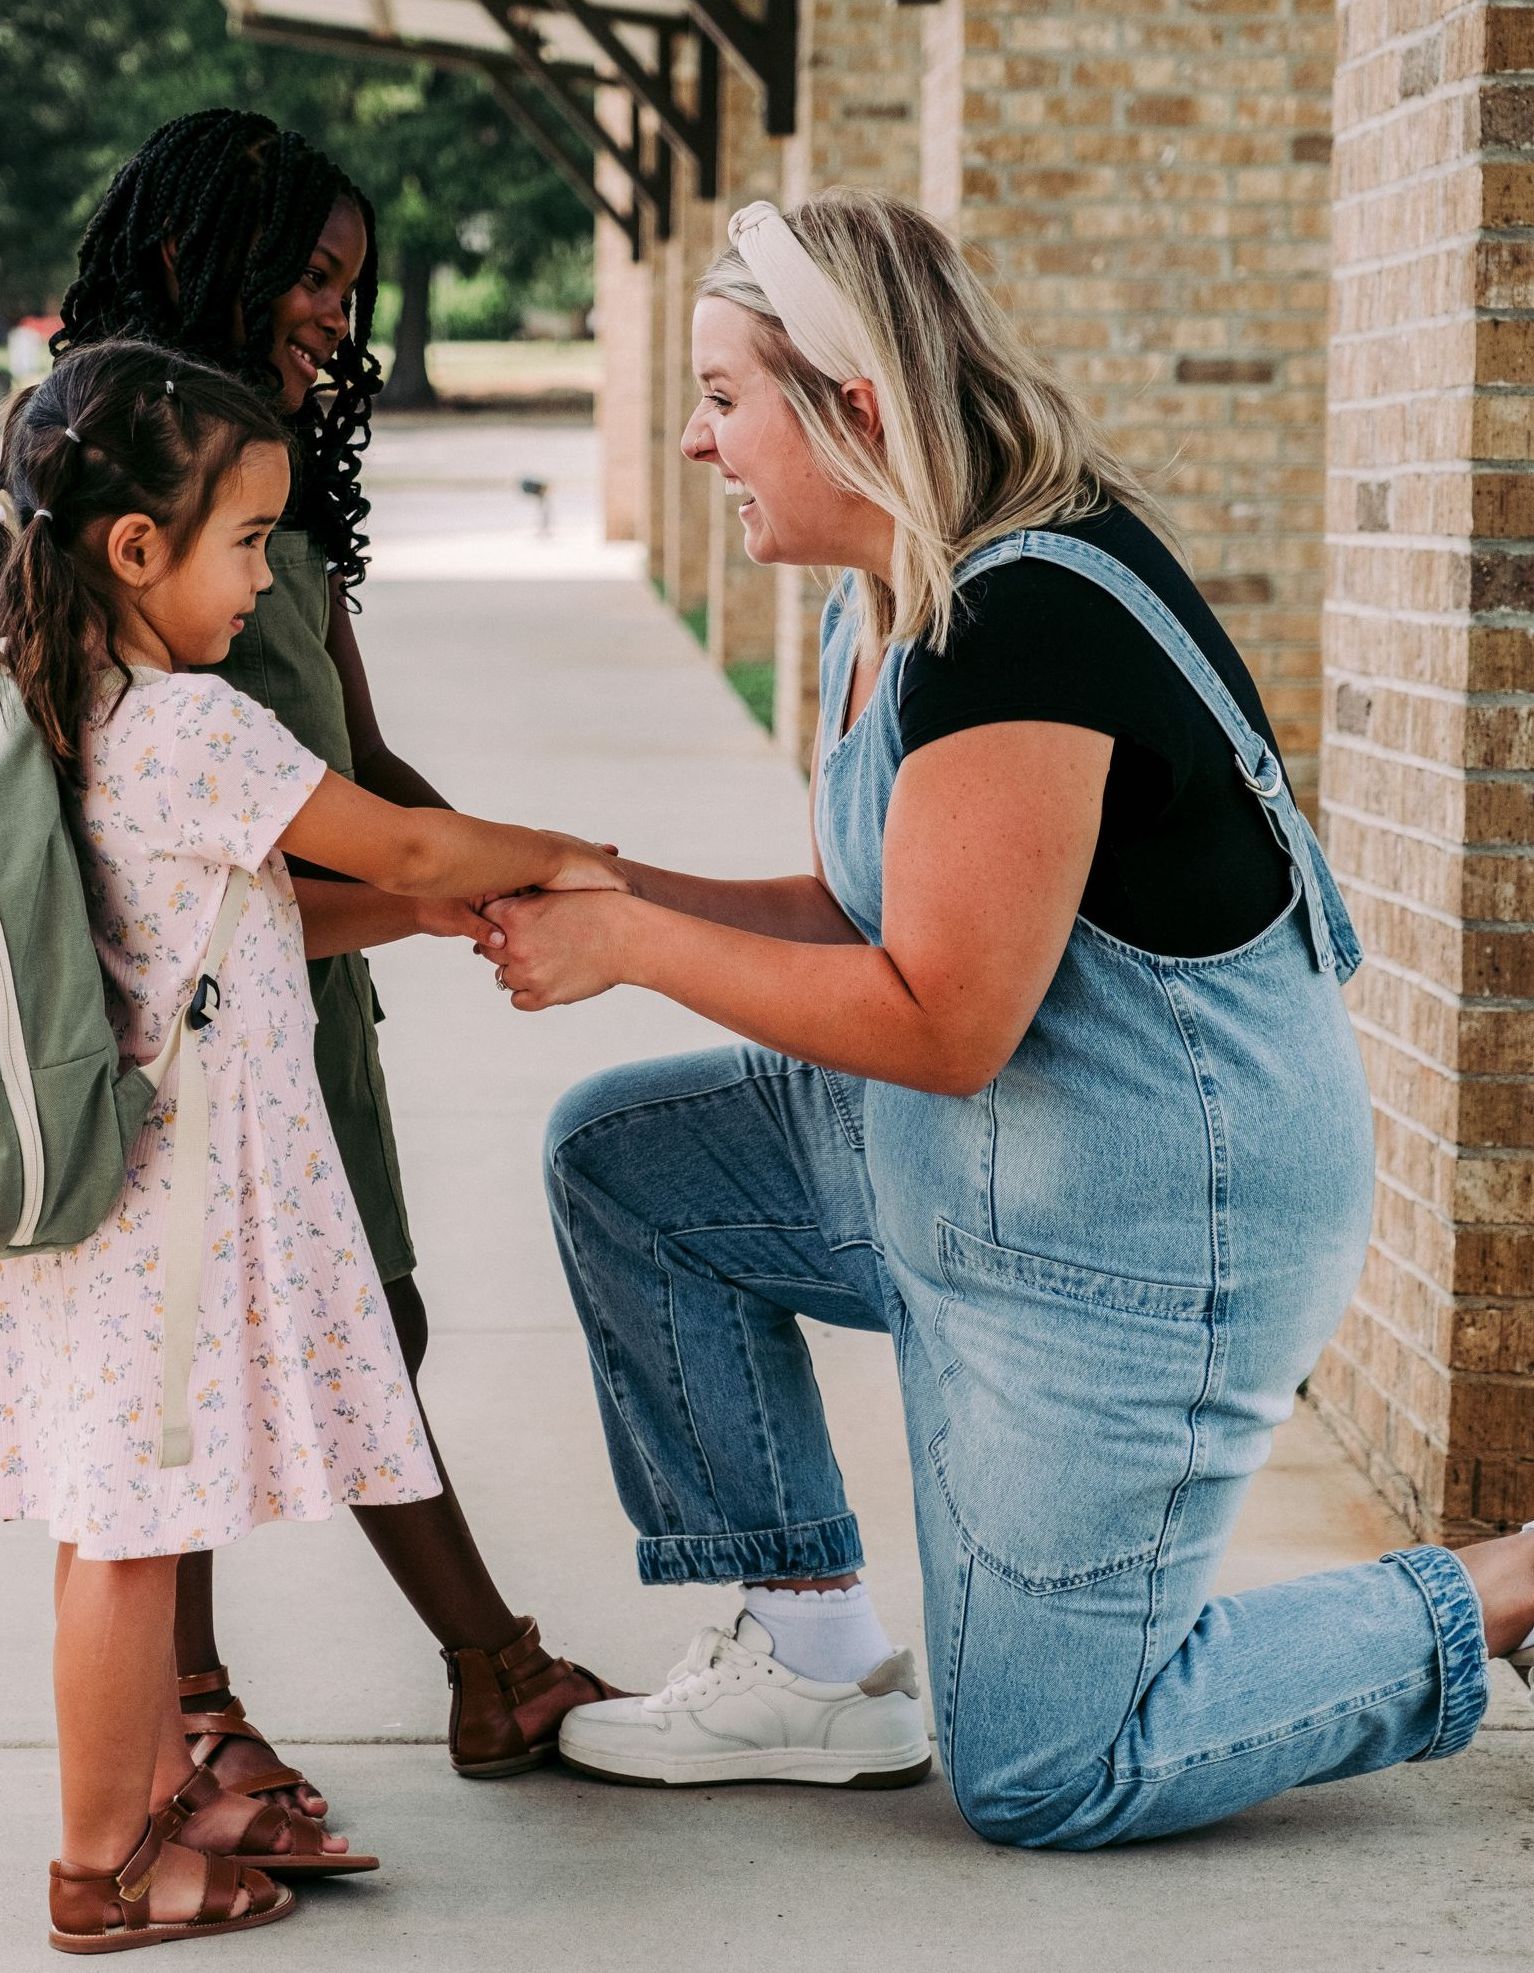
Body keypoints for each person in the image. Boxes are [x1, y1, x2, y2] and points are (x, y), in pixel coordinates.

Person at [481, 189, 1534, 1846]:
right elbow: (867, 917)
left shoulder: (1020, 618)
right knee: (630, 1161)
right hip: (981, 1167)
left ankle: (1500, 1588)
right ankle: (814, 1665)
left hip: (1140, 1236)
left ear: (858, 409)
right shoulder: (887, 590)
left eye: (719, 396)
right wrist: (606, 885)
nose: (696, 444)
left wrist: (630, 943)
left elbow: (943, 1017)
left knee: (1051, 1768)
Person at [0, 338, 625, 1947]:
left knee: (130, 1522)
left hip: (116, 1200)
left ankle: (152, 1805)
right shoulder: (192, 729)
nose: (261, 581)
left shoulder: (73, 697)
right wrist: (564, 856)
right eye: (244, 545)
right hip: (168, 1214)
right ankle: (104, 1870)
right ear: (136, 549)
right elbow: (408, 827)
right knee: (133, 1535)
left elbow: (237, 921)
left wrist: (421, 916)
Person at [53, 108, 618, 1810]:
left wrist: (499, 881)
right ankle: (275, 1698)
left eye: (348, 288)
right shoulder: (111, 481)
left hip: (317, 979)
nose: (332, 316)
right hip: (200, 1001)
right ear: (185, 259)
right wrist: (517, 872)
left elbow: (371, 772)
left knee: (369, 1316)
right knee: (218, 1352)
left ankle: (464, 1671)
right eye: (308, 277)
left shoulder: (272, 494)